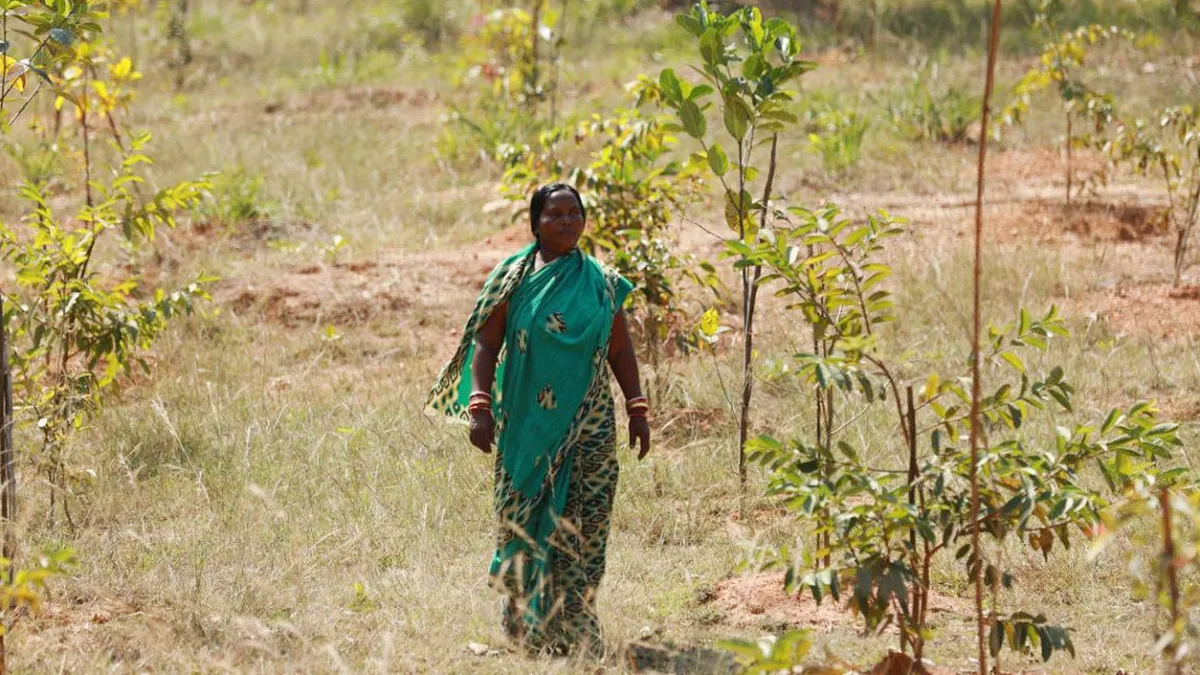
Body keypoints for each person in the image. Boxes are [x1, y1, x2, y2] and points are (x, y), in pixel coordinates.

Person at [427, 182, 651, 656]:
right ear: (535, 223)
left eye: (574, 212)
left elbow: (620, 348)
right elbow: (486, 345)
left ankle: (575, 628)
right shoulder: (513, 278)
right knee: (523, 519)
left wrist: (637, 408)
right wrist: (480, 406)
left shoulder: (602, 283)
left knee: (585, 524)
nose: (567, 221)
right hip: (526, 426)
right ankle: (525, 626)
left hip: (590, 426)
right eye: (555, 214)